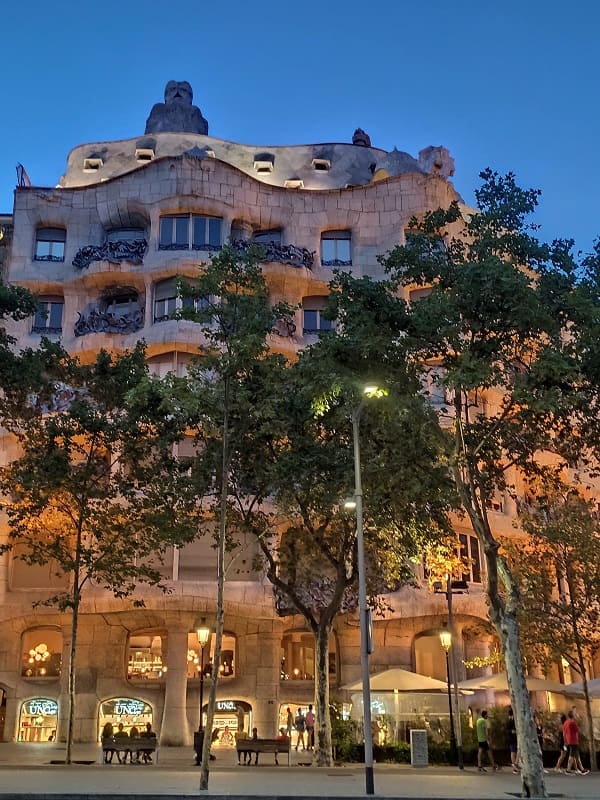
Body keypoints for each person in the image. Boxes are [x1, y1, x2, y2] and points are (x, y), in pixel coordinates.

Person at [564, 709, 589, 775]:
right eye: (575, 714)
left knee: (577, 756)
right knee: (572, 755)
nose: (576, 715)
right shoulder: (573, 722)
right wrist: (578, 721)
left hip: (569, 740)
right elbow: (578, 731)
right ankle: (568, 769)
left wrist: (565, 741)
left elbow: (564, 732)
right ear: (572, 715)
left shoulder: (566, 722)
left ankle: (582, 769)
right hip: (573, 740)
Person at [506, 707, 519, 773]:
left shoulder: (509, 721)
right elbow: (511, 731)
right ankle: (515, 766)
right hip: (513, 738)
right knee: (515, 752)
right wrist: (513, 731)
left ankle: (515, 765)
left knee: (514, 752)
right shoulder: (512, 721)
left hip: (512, 739)